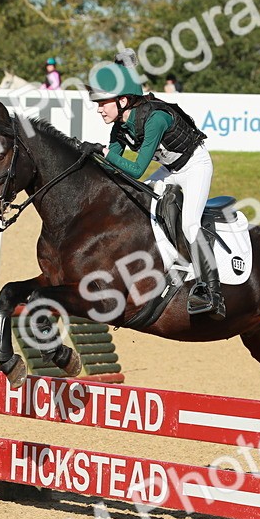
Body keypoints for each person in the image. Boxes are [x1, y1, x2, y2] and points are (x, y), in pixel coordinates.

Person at [83, 51, 223, 319]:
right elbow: (115, 167)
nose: (99, 107)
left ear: (123, 100)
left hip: (195, 167)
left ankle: (212, 291)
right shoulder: (120, 125)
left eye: (103, 102)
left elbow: (135, 170)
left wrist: (102, 151)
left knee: (190, 224)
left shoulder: (155, 119)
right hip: (169, 169)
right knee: (134, 201)